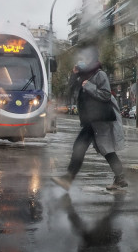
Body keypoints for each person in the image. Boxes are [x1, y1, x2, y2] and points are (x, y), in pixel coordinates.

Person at [51, 47, 128, 191]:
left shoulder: (100, 74)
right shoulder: (84, 76)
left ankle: (68, 178)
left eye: (85, 58)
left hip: (98, 119)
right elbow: (71, 89)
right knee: (107, 151)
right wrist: (75, 74)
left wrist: (90, 86)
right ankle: (120, 178)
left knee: (79, 148)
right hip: (90, 120)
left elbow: (105, 95)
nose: (82, 61)